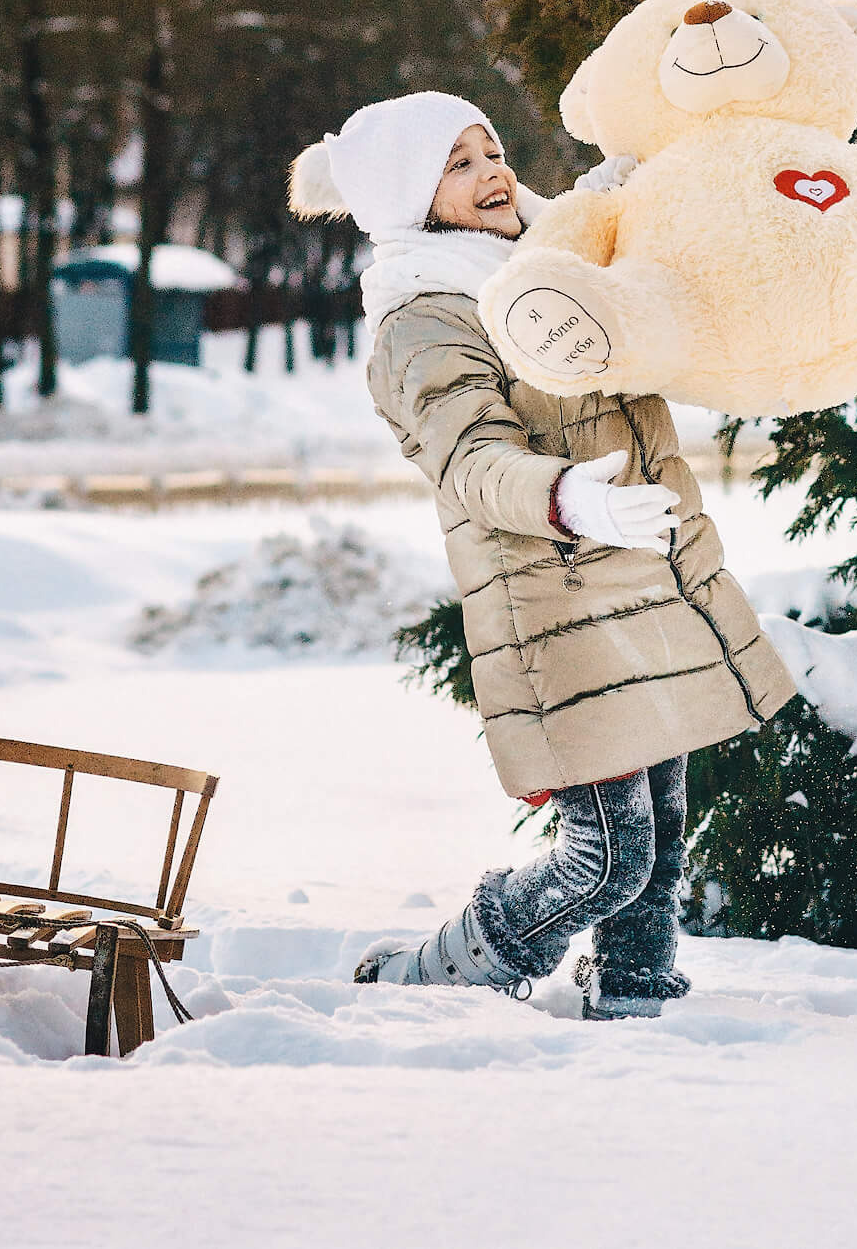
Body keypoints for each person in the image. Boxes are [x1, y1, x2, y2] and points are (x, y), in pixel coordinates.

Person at [288, 91, 794, 1020]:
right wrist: (568, 497)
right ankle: (445, 971)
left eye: (491, 151)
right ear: (408, 196)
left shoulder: (537, 262)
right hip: (553, 604)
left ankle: (637, 987)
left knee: (664, 824)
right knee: (607, 852)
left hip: (635, 581)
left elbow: (611, 241)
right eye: (458, 164)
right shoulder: (424, 316)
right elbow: (472, 460)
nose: (492, 173)